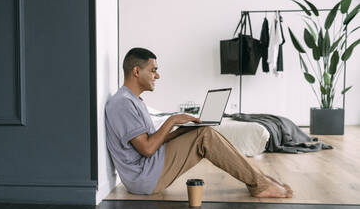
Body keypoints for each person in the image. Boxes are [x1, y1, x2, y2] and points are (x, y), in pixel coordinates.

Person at [105, 47, 293, 198]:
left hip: (149, 168)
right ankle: (259, 183)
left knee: (202, 131)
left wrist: (181, 131)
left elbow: (150, 141)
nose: (158, 76)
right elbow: (146, 149)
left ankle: (259, 178)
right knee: (205, 136)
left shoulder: (133, 100)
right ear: (136, 71)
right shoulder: (123, 104)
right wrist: (172, 120)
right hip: (144, 178)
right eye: (153, 70)